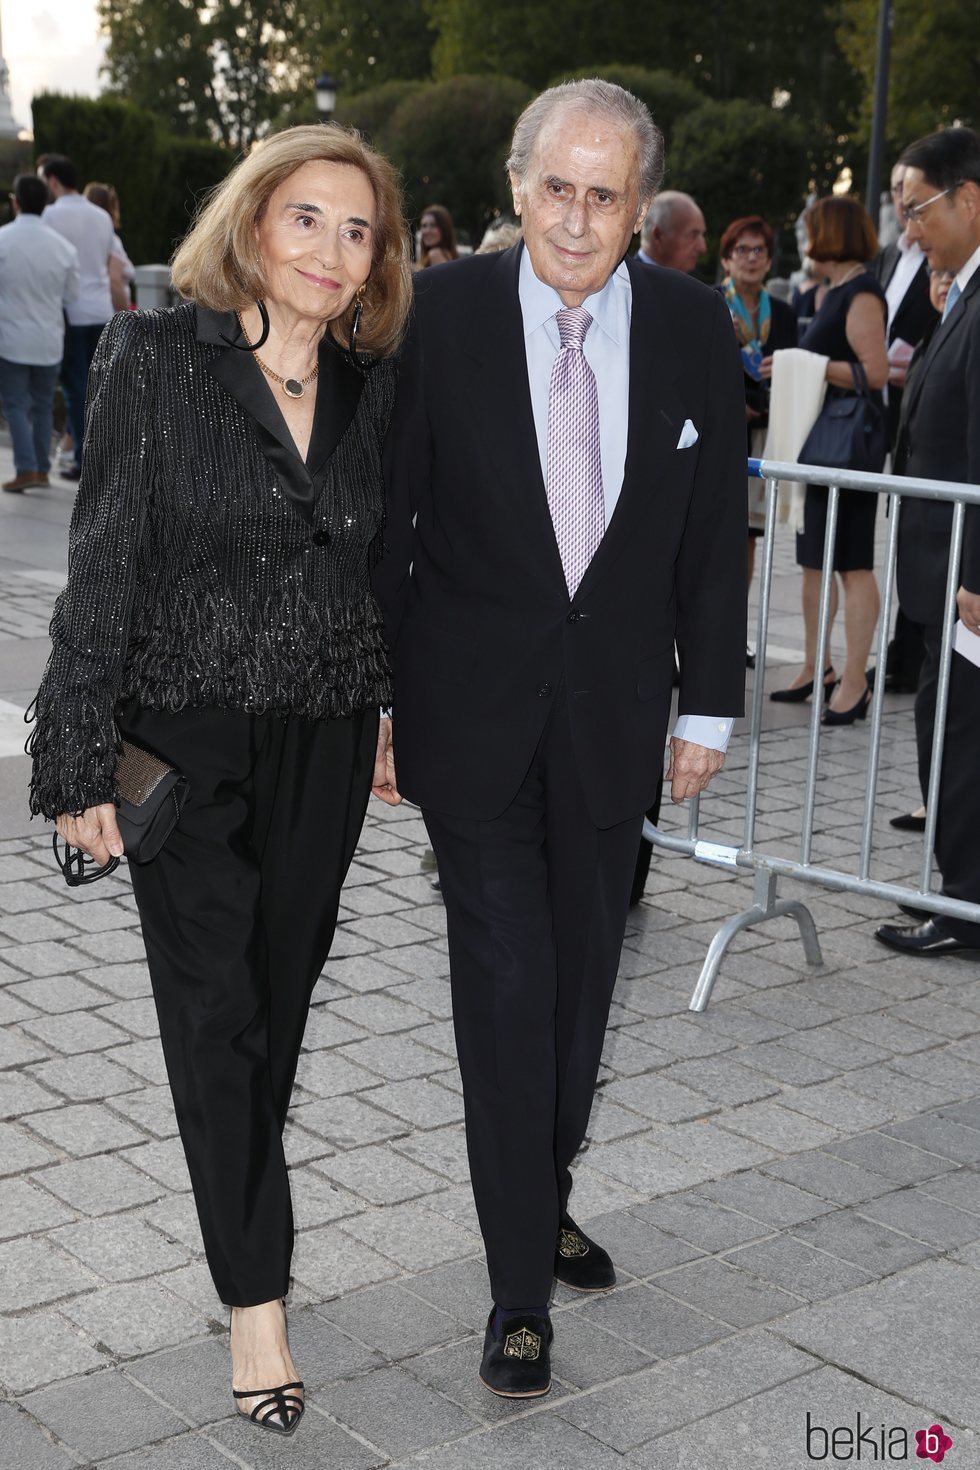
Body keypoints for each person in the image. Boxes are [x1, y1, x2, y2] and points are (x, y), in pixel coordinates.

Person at [28, 124, 412, 1434]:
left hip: (320, 731)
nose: (331, 250)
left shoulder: (377, 386)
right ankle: (259, 1305)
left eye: (358, 230)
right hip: (182, 738)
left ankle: (240, 1215)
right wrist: (75, 755)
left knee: (278, 1007)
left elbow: (388, 570)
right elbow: (105, 565)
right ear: (252, 223)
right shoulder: (155, 360)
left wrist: (394, 706)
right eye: (307, 218)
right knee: (218, 1020)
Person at [375, 79, 746, 1397]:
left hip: (613, 724)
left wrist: (708, 701)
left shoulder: (700, 328)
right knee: (509, 992)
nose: (579, 219)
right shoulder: (443, 315)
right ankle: (517, 1286)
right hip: (466, 717)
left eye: (608, 194)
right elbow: (389, 520)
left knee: (583, 995)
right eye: (558, 188)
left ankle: (543, 1186)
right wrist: (372, 699)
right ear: (517, 187)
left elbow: (713, 538)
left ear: (642, 205)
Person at [875, 127, 980, 957]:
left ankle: (966, 904)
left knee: (960, 732)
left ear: (968, 198)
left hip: (963, 571)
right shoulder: (965, 294)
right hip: (942, 562)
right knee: (950, 724)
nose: (910, 228)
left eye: (917, 209)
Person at [771, 196, 888, 723]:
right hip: (820, 442)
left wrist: (807, 362)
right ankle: (819, 666)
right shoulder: (828, 290)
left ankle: (856, 677)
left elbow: (875, 372)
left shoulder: (861, 291)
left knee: (853, 564)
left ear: (831, 234)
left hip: (848, 445)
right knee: (814, 561)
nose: (805, 241)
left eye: (811, 230)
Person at [886, 263, 954, 837]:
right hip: (935, 558)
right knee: (938, 703)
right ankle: (944, 828)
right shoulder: (941, 329)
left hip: (957, 558)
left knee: (948, 707)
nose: (936, 278)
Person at [872, 160, 940, 696]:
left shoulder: (945, 263)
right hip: (887, 411)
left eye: (909, 193)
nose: (901, 201)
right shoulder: (891, 254)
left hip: (922, 404)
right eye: (895, 190)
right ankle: (902, 648)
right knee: (901, 533)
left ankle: (909, 649)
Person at [37, 155, 117, 482]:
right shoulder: (101, 216)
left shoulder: (49, 216)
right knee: (100, 387)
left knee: (74, 388)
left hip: (70, 311)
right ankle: (101, 459)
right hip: (101, 310)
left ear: (53, 180)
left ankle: (85, 462)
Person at [0, 174, 79, 494]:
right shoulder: (63, 248)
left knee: (16, 404)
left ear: (15, 202)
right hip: (49, 338)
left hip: (11, 337)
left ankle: (26, 468)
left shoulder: (3, 239)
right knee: (44, 405)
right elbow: (71, 296)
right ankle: (42, 469)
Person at [84, 182, 135, 311]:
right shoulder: (111, 241)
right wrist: (127, 317)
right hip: (110, 313)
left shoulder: (84, 240)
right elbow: (114, 281)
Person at [636, 190, 706, 273]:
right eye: (693, 235)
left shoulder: (686, 283)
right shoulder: (624, 282)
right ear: (658, 236)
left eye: (702, 235)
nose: (702, 248)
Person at [417, 203, 458, 267]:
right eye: (424, 226)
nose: (427, 231)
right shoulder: (446, 254)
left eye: (433, 225)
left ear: (444, 229)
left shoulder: (435, 254)